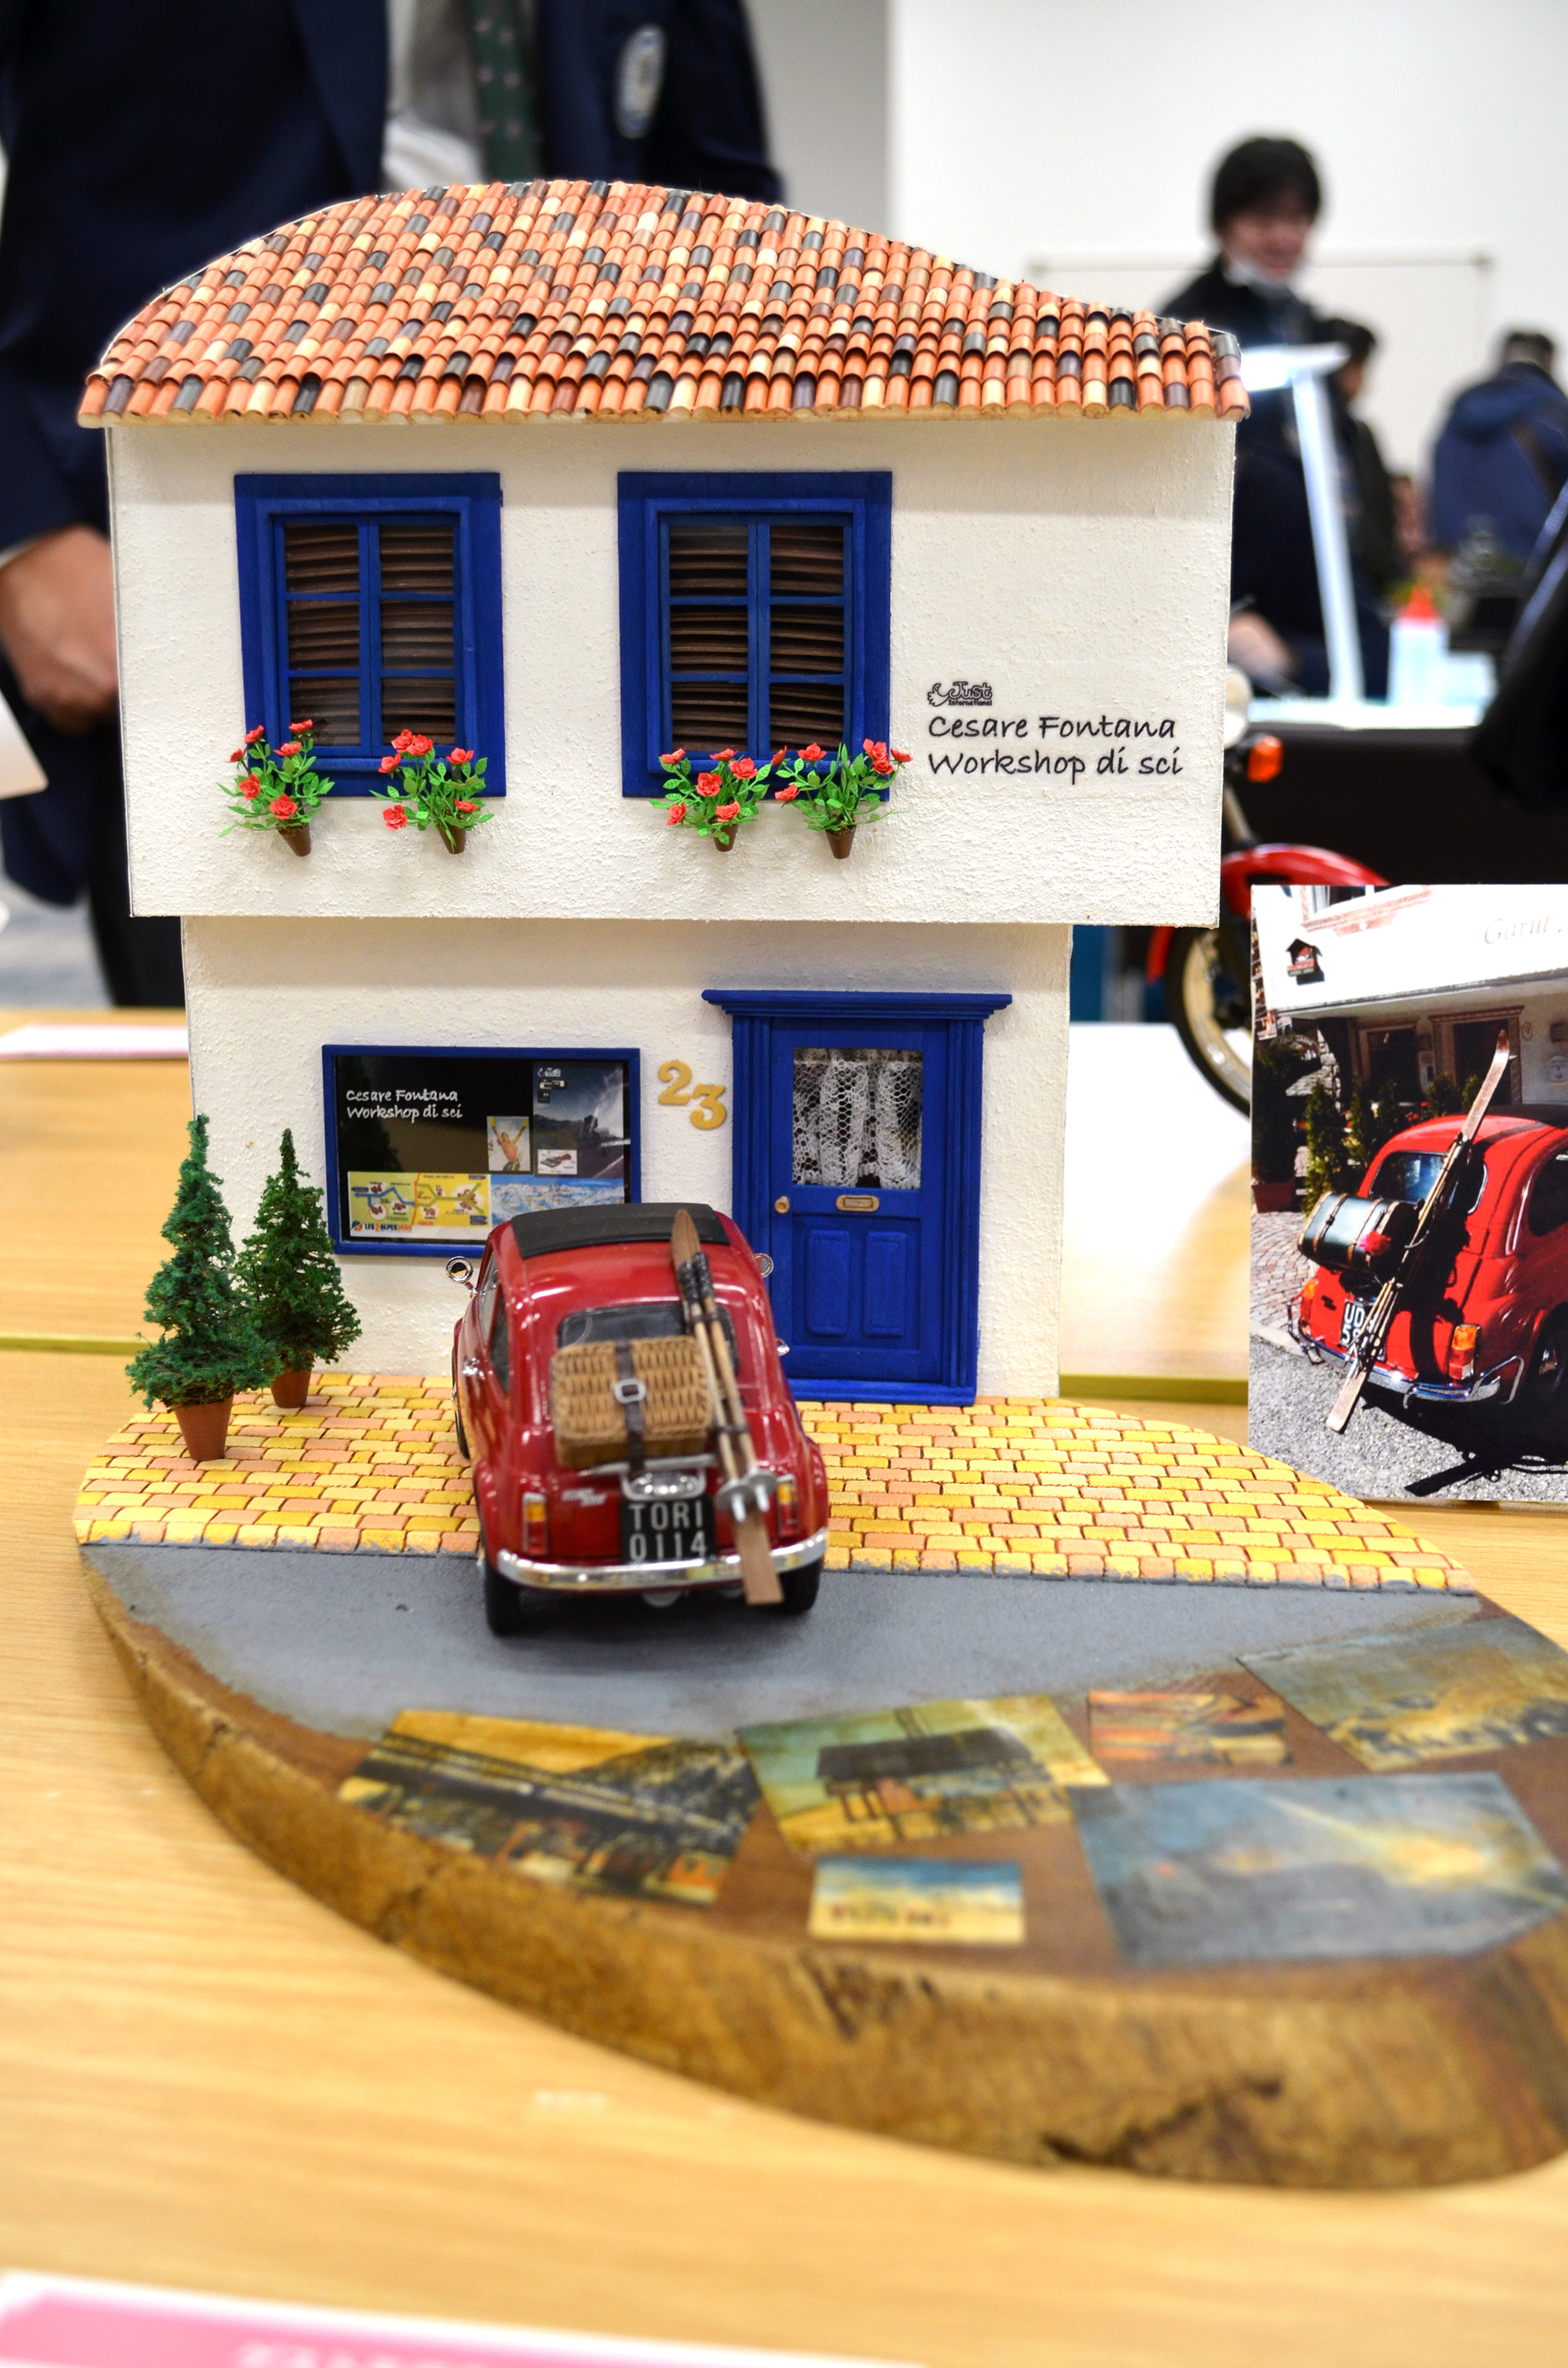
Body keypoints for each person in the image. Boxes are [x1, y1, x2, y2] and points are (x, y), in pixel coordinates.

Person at [0, 0, 779, 1006]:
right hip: (189, 547)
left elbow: (719, 208)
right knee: (243, 1046)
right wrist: (19, 528)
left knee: (603, 1023)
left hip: (590, 558)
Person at [1162, 135, 1334, 352]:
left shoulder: (1297, 314)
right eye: (1263, 220)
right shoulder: (1184, 325)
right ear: (1221, 226)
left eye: (1296, 220)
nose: (1282, 239)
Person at [1431, 331, 1568, 564]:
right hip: (1533, 560)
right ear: (1548, 360)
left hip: (1460, 558)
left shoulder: (1460, 413)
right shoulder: (1555, 415)